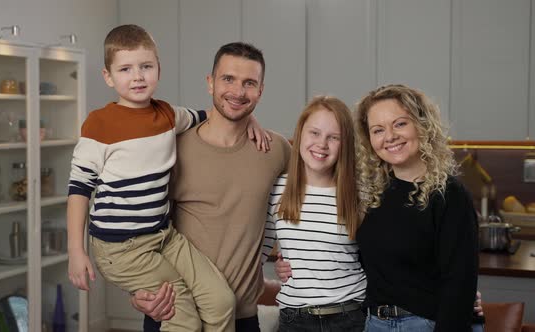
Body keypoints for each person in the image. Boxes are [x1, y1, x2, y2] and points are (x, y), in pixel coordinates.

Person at [67, 25, 268, 332]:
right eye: (125, 69)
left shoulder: (168, 117)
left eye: (146, 67)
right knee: (183, 315)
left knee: (220, 301)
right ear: (108, 76)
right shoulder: (99, 125)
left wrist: (249, 115)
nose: (137, 76)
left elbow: (214, 114)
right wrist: (75, 250)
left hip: (164, 236)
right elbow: (79, 189)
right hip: (120, 247)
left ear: (158, 70)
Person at [131, 42, 292, 332]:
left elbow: (319, 191)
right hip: (176, 314)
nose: (238, 91)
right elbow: (136, 229)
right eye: (228, 79)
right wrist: (138, 293)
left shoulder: (275, 150)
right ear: (210, 83)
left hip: (242, 319)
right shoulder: (172, 149)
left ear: (260, 90)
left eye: (249, 83)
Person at [354, 84, 479, 331]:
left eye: (400, 124)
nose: (389, 136)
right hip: (374, 323)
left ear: (422, 125)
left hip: (426, 324)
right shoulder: (371, 193)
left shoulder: (450, 195)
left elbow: (459, 284)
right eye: (378, 130)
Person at [261, 96, 367, 331]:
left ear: (345, 143)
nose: (322, 144)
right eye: (314, 133)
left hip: (350, 317)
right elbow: (259, 252)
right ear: (300, 135)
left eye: (334, 137)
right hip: (294, 319)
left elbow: (380, 259)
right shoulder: (279, 189)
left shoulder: (361, 194)